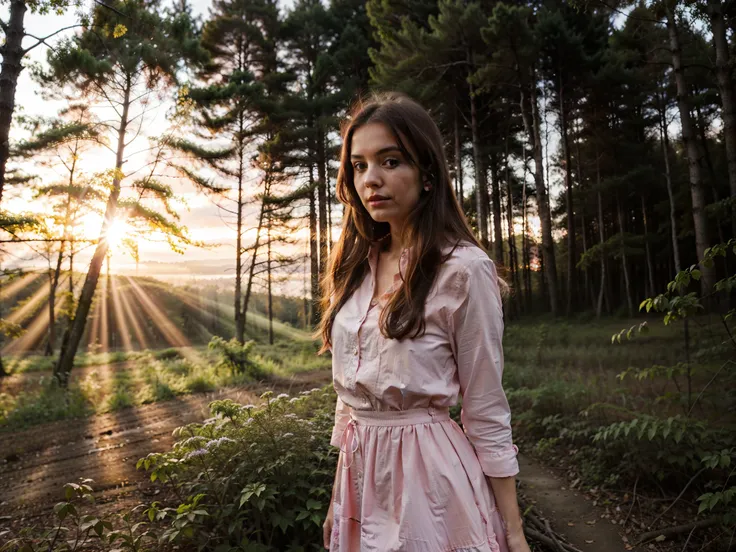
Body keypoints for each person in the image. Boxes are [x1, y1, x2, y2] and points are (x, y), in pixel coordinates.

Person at [316, 92, 530, 552]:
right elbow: (350, 397)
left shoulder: (464, 270)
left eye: (390, 161)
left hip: (431, 484)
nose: (371, 179)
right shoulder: (354, 268)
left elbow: (487, 405)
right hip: (359, 478)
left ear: (427, 173)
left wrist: (512, 530)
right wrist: (340, 498)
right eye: (358, 166)